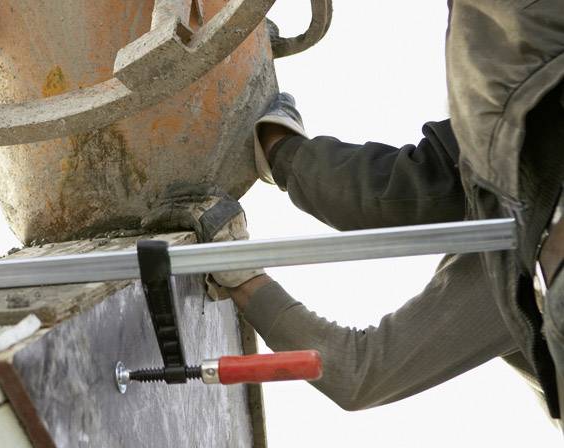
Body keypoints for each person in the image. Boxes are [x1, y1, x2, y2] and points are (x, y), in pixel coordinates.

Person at [144, 1, 564, 422]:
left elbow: (359, 372)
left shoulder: (527, 248)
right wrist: (280, 151)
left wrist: (241, 274)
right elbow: (412, 185)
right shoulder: (512, 149)